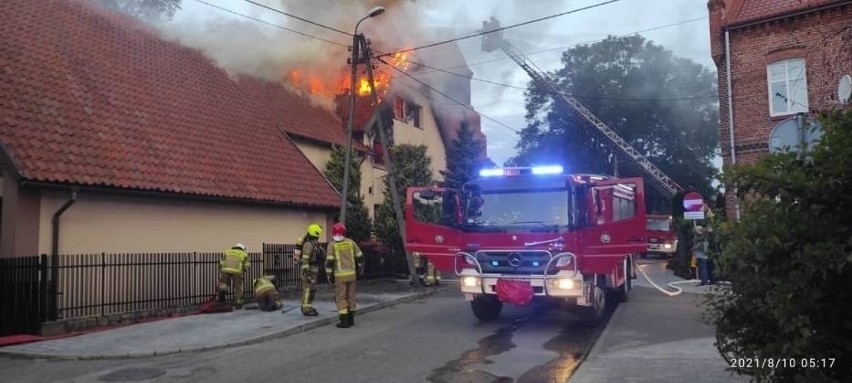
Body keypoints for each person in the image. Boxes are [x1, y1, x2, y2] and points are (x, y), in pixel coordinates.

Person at [325, 223, 363, 328]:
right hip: (352, 274)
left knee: (341, 297)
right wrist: (359, 268)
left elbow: (329, 262)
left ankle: (344, 321)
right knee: (351, 296)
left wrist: (329, 274)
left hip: (340, 276)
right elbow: (360, 257)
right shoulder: (351, 243)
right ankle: (351, 319)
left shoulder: (332, 245)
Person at [298, 223, 324, 316]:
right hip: (309, 271)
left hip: (313, 271)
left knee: (312, 290)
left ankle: (308, 306)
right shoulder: (309, 244)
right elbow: (305, 259)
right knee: (308, 290)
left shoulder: (315, 244)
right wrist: (306, 273)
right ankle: (306, 309)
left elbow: (322, 254)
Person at [219, 243, 250, 308]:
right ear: (242, 248)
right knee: (238, 287)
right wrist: (244, 270)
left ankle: (221, 299)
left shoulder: (227, 252)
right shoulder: (244, 254)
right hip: (237, 271)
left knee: (223, 284)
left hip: (225, 270)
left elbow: (222, 262)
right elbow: (247, 265)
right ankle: (238, 303)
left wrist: (221, 269)